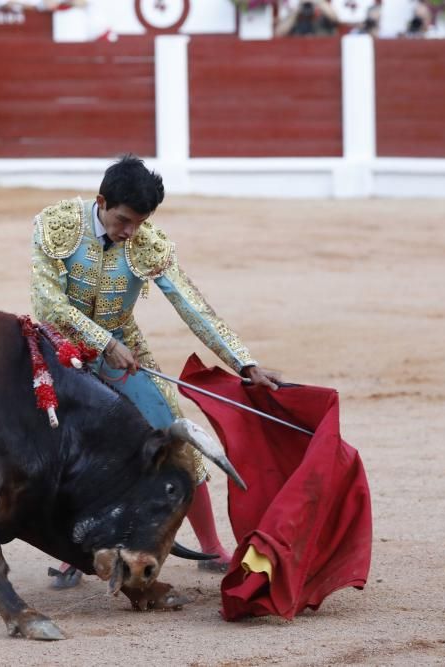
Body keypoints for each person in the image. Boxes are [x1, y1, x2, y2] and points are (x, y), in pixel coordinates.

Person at [30, 154, 282, 588]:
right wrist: (104, 343)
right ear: (101, 201)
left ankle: (211, 546)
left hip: (125, 349)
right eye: (123, 220)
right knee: (65, 452)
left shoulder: (147, 243)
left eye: (138, 223)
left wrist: (245, 361)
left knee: (174, 434)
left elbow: (192, 305)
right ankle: (73, 552)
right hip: (60, 351)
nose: (129, 232)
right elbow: (49, 304)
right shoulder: (57, 225)